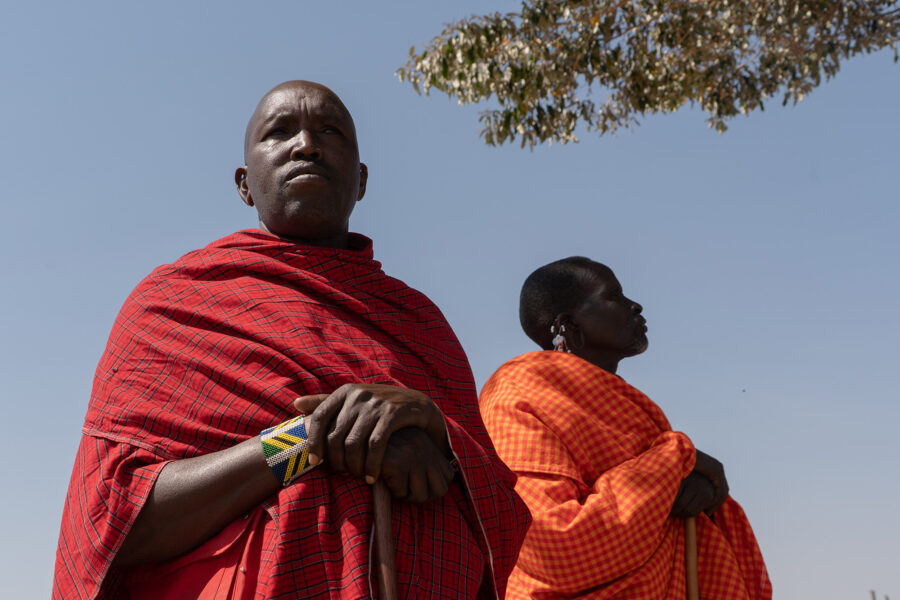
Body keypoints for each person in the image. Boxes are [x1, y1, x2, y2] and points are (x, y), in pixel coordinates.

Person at [52, 80, 530, 600]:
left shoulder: (419, 321)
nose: (307, 144)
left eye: (330, 131)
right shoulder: (173, 304)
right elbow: (116, 519)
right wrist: (307, 441)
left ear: (362, 180)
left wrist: (435, 430)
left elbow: (500, 513)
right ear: (244, 184)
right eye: (279, 132)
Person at [478, 257, 772, 599]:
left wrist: (695, 488)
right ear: (566, 325)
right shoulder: (519, 391)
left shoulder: (627, 405)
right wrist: (676, 460)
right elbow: (551, 546)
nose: (636, 306)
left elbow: (668, 500)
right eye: (614, 296)